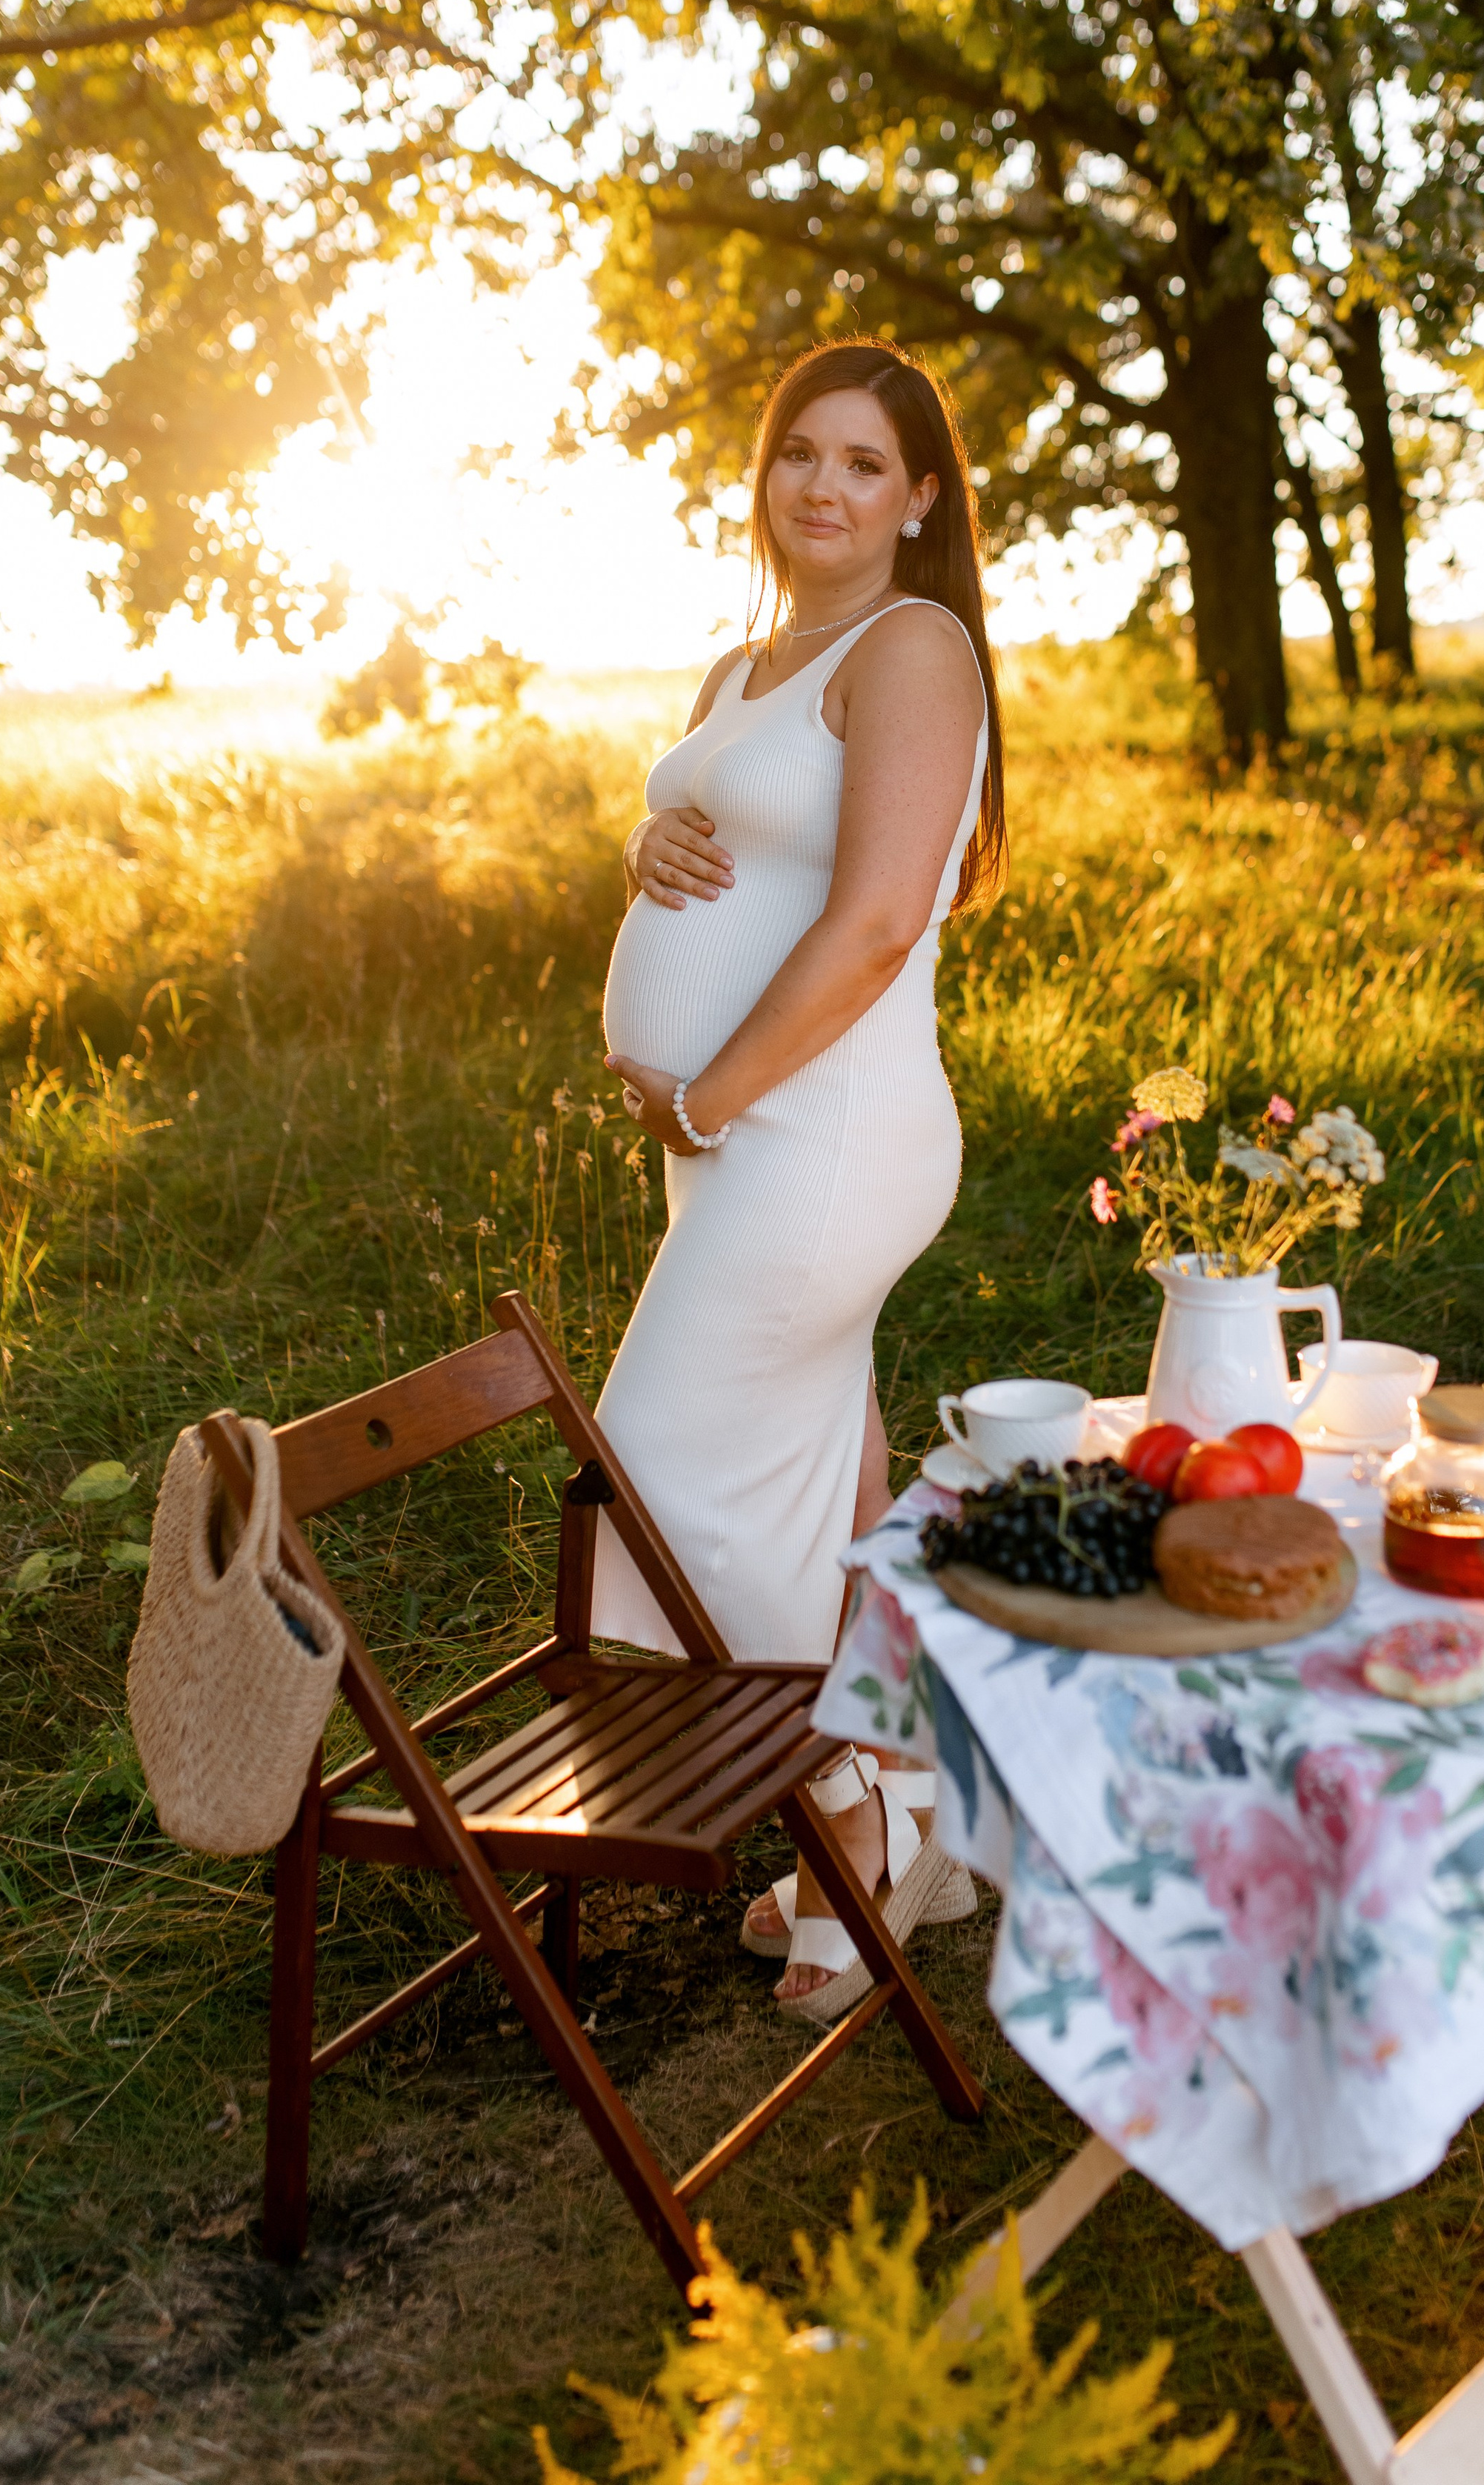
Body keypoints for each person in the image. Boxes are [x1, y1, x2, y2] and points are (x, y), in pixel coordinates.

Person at [596, 339, 1005, 2017]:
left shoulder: (914, 648)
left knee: (671, 1473)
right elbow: (751, 856)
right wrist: (644, 845)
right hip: (739, 1147)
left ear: (918, 498)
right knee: (819, 1492)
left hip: (814, 1136)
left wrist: (707, 1098)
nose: (819, 489)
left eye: (860, 464)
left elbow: (878, 918)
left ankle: (856, 1815)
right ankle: (929, 1813)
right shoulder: (738, 669)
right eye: (794, 456)